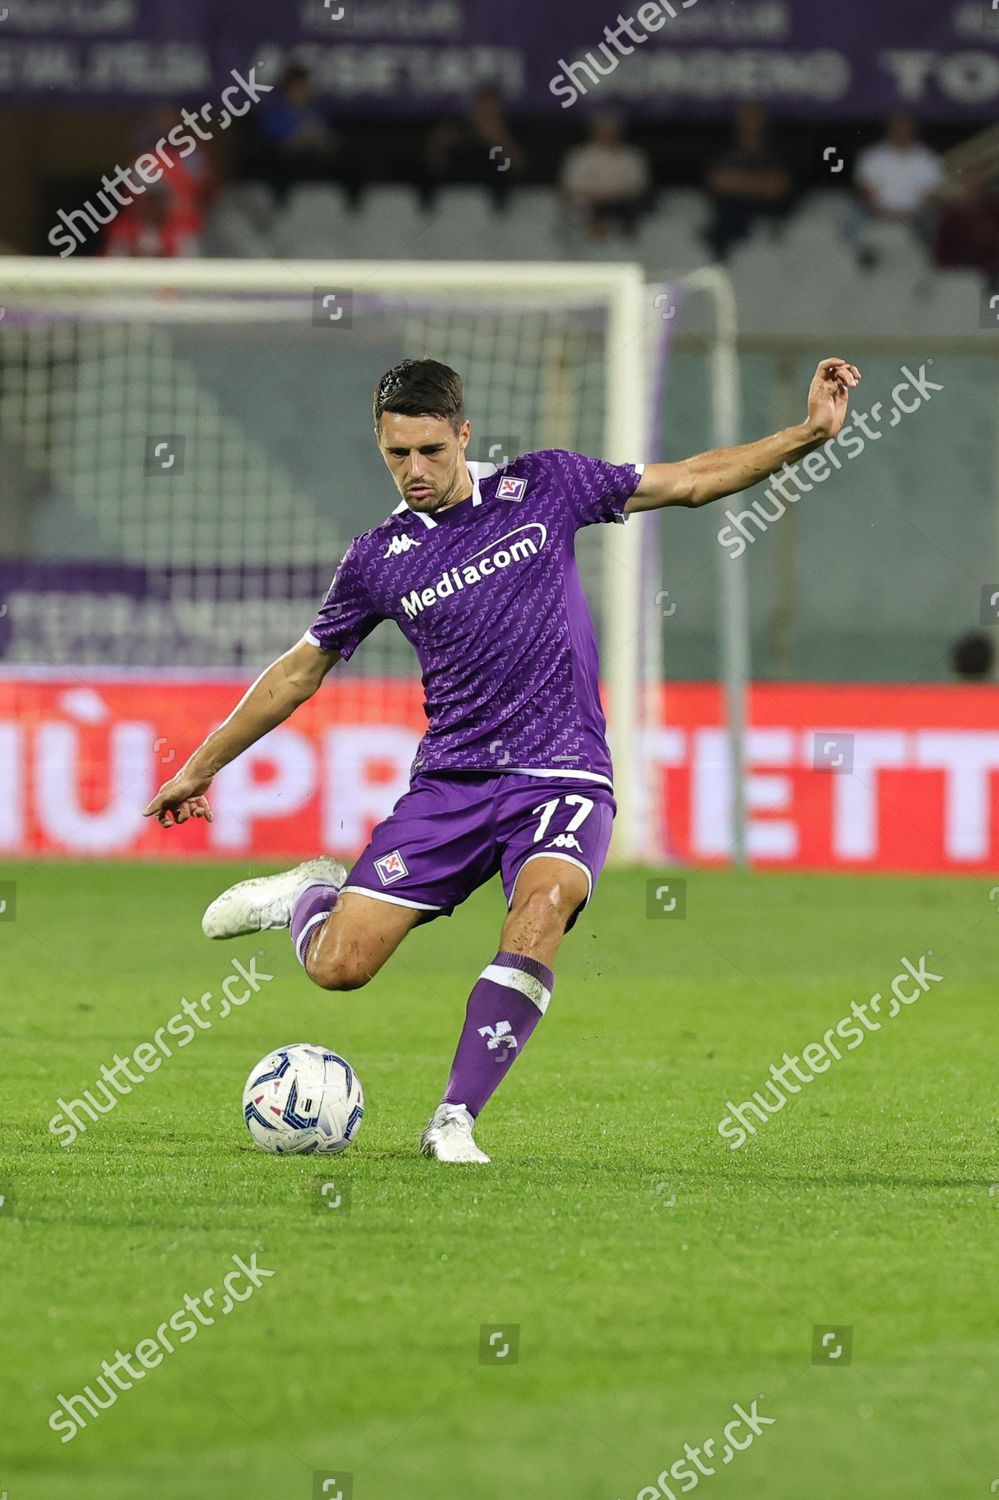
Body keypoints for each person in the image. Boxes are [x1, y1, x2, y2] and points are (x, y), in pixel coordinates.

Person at [144, 355, 862, 1164]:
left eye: (430, 452)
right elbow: (300, 670)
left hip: (563, 771)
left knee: (544, 904)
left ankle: (453, 1120)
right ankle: (310, 893)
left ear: (463, 435)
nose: (414, 471)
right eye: (396, 455)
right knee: (340, 969)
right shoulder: (379, 558)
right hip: (452, 781)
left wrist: (808, 434)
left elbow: (691, 480)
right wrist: (203, 764)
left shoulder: (545, 486)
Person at [848, 112, 944, 267]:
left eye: (905, 127)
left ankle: (930, 263)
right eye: (897, 127)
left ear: (913, 129)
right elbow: (864, 190)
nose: (901, 131)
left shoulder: (926, 157)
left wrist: (911, 213)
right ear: (889, 129)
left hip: (915, 214)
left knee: (935, 218)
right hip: (878, 211)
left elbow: (931, 194)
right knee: (849, 211)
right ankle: (862, 256)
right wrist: (880, 212)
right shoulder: (872, 156)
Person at [703, 103, 792, 261]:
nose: (750, 124)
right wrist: (759, 184)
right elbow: (718, 182)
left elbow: (778, 187)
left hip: (768, 221)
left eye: (755, 118)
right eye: (746, 118)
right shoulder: (724, 152)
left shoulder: (777, 153)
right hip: (729, 222)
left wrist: (737, 182)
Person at [423, 84, 524, 208]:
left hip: (494, 207)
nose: (485, 113)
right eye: (482, 107)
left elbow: (515, 170)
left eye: (491, 110)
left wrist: (499, 141)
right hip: (453, 202)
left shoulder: (503, 137)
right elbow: (435, 168)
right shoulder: (455, 131)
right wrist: (439, 146)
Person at [254, 63, 341, 206]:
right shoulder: (276, 115)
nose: (304, 91)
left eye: (306, 86)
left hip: (315, 161)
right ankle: (281, 199)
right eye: (299, 87)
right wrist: (298, 141)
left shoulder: (316, 114)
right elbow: (273, 143)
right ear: (288, 90)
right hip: (288, 163)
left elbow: (329, 142)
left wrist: (319, 143)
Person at [559, 111, 651, 240]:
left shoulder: (632, 155)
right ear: (594, 131)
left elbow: (639, 185)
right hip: (589, 204)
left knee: (633, 210)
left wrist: (613, 196)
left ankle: (626, 241)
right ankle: (592, 236)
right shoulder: (580, 155)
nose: (609, 134)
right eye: (604, 130)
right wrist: (598, 197)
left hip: (621, 204)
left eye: (612, 130)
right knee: (580, 207)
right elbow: (571, 187)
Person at [934, 165, 999, 282]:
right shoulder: (951, 218)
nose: (976, 186)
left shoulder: (993, 208)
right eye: (971, 183)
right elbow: (941, 257)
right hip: (967, 277)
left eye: (980, 182)